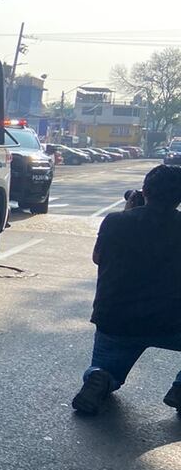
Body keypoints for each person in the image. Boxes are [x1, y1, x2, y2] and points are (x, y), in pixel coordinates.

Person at [71, 165, 181, 416]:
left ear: (144, 191)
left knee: (108, 372)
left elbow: (98, 257)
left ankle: (99, 377)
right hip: (172, 321)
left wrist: (129, 211)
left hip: (116, 320)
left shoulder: (115, 222)